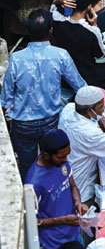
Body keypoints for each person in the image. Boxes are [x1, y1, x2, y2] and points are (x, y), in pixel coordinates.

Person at [1, 9, 85, 179]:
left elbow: (7, 96)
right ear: (51, 30)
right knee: (54, 162)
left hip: (23, 124)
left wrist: (6, 113)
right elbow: (80, 86)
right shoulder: (61, 55)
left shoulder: (16, 58)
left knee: (27, 166)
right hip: (51, 120)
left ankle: (31, 201)